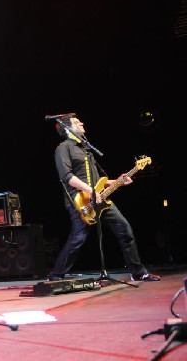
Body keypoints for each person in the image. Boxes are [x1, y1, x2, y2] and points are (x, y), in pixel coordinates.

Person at [47, 115, 160, 283]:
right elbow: (67, 177)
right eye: (78, 122)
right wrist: (90, 191)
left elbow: (98, 181)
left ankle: (138, 272)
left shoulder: (86, 150)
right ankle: (55, 276)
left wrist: (119, 181)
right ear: (68, 128)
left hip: (99, 198)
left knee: (125, 230)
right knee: (77, 240)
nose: (82, 123)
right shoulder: (63, 148)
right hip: (80, 200)